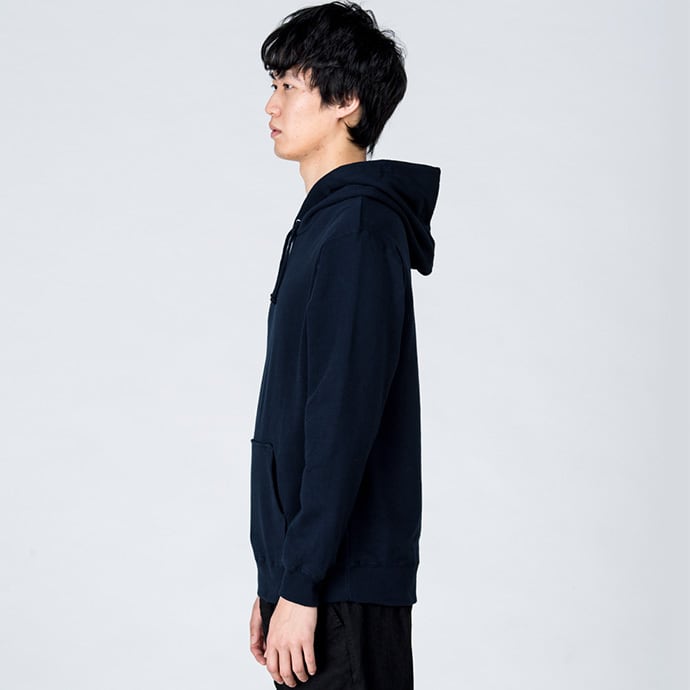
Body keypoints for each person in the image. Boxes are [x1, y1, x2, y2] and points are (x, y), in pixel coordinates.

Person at [247, 2, 440, 687]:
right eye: (272, 85)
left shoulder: (356, 231)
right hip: (315, 582)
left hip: (340, 587)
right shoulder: (326, 227)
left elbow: (341, 421)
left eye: (288, 85)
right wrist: (277, 580)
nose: (271, 105)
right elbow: (296, 419)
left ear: (346, 100)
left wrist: (300, 585)